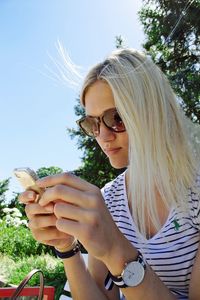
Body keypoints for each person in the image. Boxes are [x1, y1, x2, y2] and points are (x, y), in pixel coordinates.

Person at [20, 48, 200, 300]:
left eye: (116, 117)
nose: (103, 137)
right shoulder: (110, 198)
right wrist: (67, 248)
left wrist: (116, 250)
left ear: (152, 110)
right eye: (92, 123)